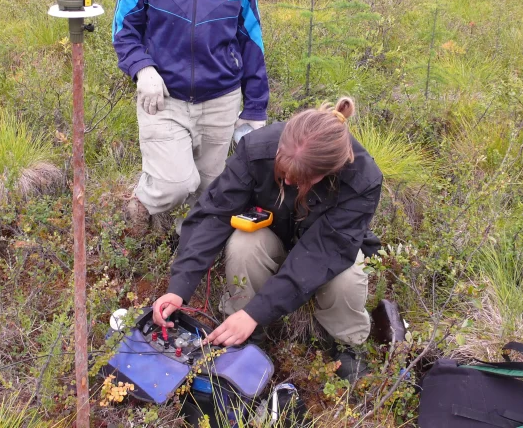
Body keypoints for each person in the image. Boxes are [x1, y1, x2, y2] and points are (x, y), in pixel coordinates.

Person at [151, 98, 387, 382]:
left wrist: (256, 312)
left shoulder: (362, 179)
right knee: (243, 244)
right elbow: (213, 215)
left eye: (299, 179)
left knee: (346, 275)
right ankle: (249, 333)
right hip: (274, 237)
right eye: (282, 171)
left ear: (328, 173)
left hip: (327, 250)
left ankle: (345, 342)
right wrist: (180, 286)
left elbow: (320, 255)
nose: (287, 183)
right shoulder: (257, 149)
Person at [112, 0, 269, 232]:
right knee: (176, 183)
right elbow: (124, 27)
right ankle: (143, 202)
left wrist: (255, 108)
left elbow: (251, 41)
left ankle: (187, 253)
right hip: (164, 99)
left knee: (209, 192)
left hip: (221, 102)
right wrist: (142, 69)